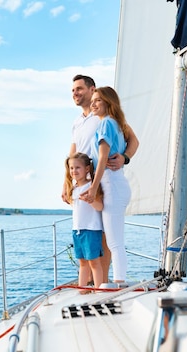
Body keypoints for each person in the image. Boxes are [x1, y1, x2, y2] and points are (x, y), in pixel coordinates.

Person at [62, 75, 139, 283]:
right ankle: (92, 283)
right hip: (82, 183)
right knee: (88, 231)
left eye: (79, 89)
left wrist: (125, 158)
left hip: (101, 181)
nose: (75, 93)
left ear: (92, 89)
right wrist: (66, 183)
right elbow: (72, 153)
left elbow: (133, 140)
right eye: (72, 91)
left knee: (105, 237)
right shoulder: (77, 122)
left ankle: (103, 283)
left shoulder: (105, 117)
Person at [82, 86, 132, 283]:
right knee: (114, 240)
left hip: (112, 185)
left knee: (114, 242)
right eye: (92, 100)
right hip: (115, 184)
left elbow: (102, 158)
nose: (93, 104)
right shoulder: (115, 124)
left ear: (108, 103)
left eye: (98, 100)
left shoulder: (106, 124)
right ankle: (117, 281)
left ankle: (119, 283)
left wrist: (93, 188)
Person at [64, 152, 104, 289]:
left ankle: (99, 290)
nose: (74, 171)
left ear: (87, 169)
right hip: (77, 230)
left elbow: (100, 206)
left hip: (91, 229)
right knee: (82, 262)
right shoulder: (74, 189)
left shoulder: (92, 186)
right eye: (71, 168)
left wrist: (90, 200)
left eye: (77, 167)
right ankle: (82, 289)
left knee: (94, 262)